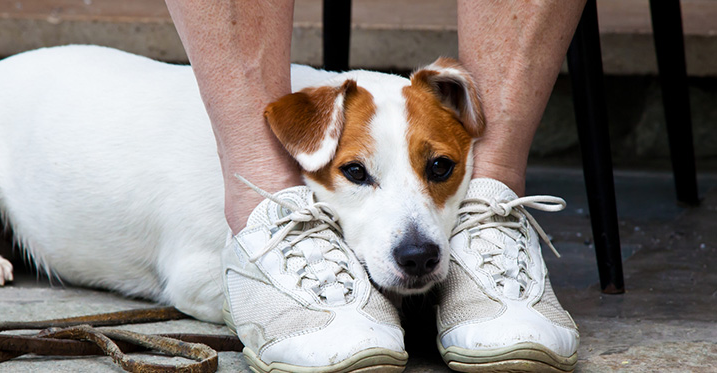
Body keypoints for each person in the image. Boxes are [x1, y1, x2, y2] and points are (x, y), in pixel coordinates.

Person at [164, 0, 586, 371]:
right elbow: (194, 282)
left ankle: (489, 225)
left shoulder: (436, 106)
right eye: (358, 174)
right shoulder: (310, 113)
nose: (418, 247)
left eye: (439, 168)